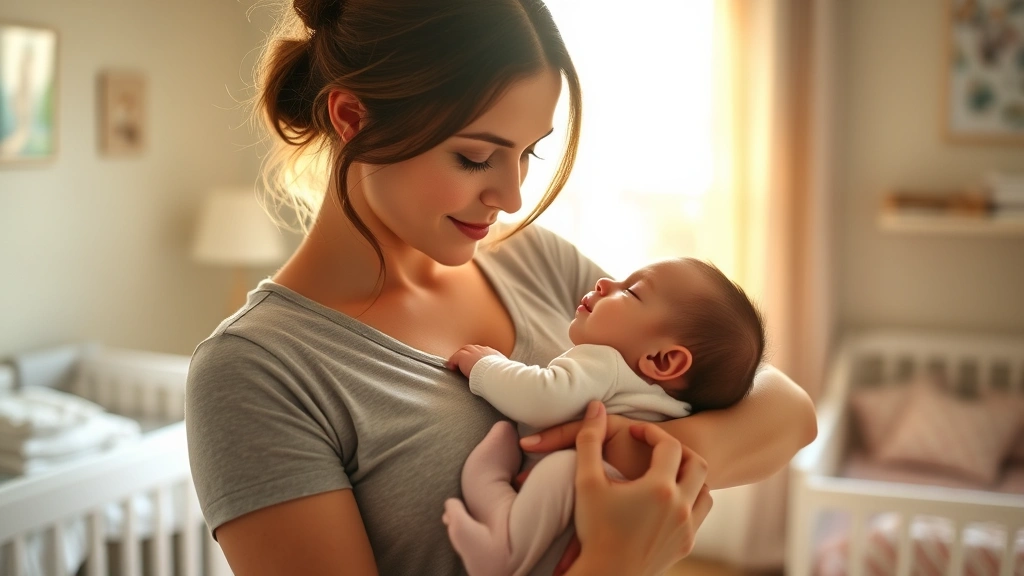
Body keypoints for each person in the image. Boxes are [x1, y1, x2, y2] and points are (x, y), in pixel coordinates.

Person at [183, 0, 818, 575]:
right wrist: (615, 560)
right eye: (474, 157)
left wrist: (639, 459)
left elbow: (789, 412)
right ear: (353, 117)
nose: (511, 197)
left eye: (528, 154)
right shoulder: (257, 371)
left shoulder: (530, 258)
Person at [442, 257, 765, 576]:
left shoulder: (606, 361)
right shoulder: (677, 406)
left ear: (663, 360)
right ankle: (503, 536)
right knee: (503, 449)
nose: (605, 283)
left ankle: (503, 554)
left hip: (581, 492)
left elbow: (541, 397)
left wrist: (486, 366)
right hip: (617, 523)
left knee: (547, 467)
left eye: (631, 291)